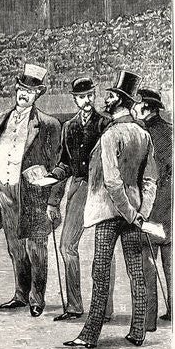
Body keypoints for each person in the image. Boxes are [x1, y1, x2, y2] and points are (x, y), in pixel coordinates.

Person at [65, 71, 158, 349]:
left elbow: (112, 181)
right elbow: (150, 180)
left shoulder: (111, 134)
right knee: (135, 271)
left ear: (120, 100)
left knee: (100, 271)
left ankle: (89, 335)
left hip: (109, 213)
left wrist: (129, 212)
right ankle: (138, 331)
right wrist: (141, 212)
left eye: (111, 95)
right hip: (135, 214)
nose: (106, 98)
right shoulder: (143, 133)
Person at [0, 63, 62, 317]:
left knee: (36, 248)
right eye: (22, 88)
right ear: (16, 89)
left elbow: (58, 164)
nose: (24, 93)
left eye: (31, 90)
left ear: (38, 94)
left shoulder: (49, 125)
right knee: (15, 247)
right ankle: (20, 294)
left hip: (34, 194)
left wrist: (53, 201)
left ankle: (37, 298)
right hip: (4, 191)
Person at [46, 77, 111, 321]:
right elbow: (64, 162)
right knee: (66, 246)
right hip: (78, 187)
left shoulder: (105, 123)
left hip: (103, 189)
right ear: (74, 99)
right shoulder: (69, 127)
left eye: (90, 96)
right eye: (81, 97)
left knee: (104, 249)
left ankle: (104, 309)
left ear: (95, 95)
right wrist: (53, 190)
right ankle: (74, 306)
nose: (86, 101)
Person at [135, 87, 172, 324]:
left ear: (145, 107)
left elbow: (148, 174)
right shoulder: (171, 131)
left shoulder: (145, 134)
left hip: (152, 207)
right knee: (171, 262)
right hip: (171, 207)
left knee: (147, 261)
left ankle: (149, 318)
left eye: (137, 104)